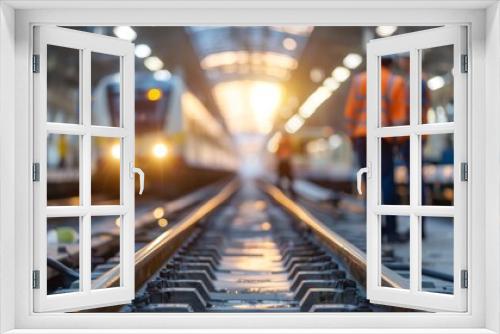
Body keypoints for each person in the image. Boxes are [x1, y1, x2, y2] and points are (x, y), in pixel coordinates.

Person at [344, 57, 408, 242]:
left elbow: (350, 113)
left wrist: (352, 137)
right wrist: (397, 141)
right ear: (391, 64)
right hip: (384, 138)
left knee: (369, 182)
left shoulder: (359, 80)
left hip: (362, 137)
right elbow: (399, 118)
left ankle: (374, 230)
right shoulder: (396, 82)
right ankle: (391, 231)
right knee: (387, 182)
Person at [276, 133, 295, 197]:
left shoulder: (284, 144)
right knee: (282, 178)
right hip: (283, 164)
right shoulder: (283, 144)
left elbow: (290, 154)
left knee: (288, 178)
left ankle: (289, 191)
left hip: (285, 164)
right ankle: (281, 191)